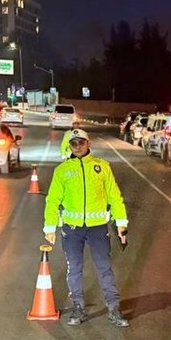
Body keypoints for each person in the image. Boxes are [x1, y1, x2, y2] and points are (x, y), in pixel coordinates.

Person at [43, 128, 130, 327]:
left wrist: (121, 224)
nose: (78, 146)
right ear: (69, 146)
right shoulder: (62, 170)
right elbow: (53, 200)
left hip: (97, 228)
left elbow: (114, 197)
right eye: (73, 143)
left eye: (81, 142)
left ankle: (114, 309)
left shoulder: (102, 167)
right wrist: (49, 227)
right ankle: (78, 307)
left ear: (88, 143)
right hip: (72, 229)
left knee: (104, 268)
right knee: (74, 268)